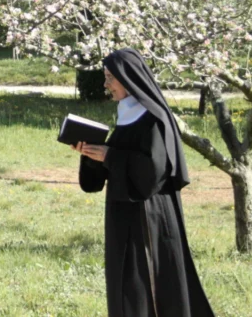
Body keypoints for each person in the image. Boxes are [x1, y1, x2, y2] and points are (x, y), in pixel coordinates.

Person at [72, 48, 215, 317]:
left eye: (110, 77)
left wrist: (110, 155)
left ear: (128, 78)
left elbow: (152, 172)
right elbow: (107, 171)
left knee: (147, 283)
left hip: (149, 215)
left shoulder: (154, 120)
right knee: (124, 281)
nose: (106, 85)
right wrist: (91, 155)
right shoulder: (126, 115)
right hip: (122, 212)